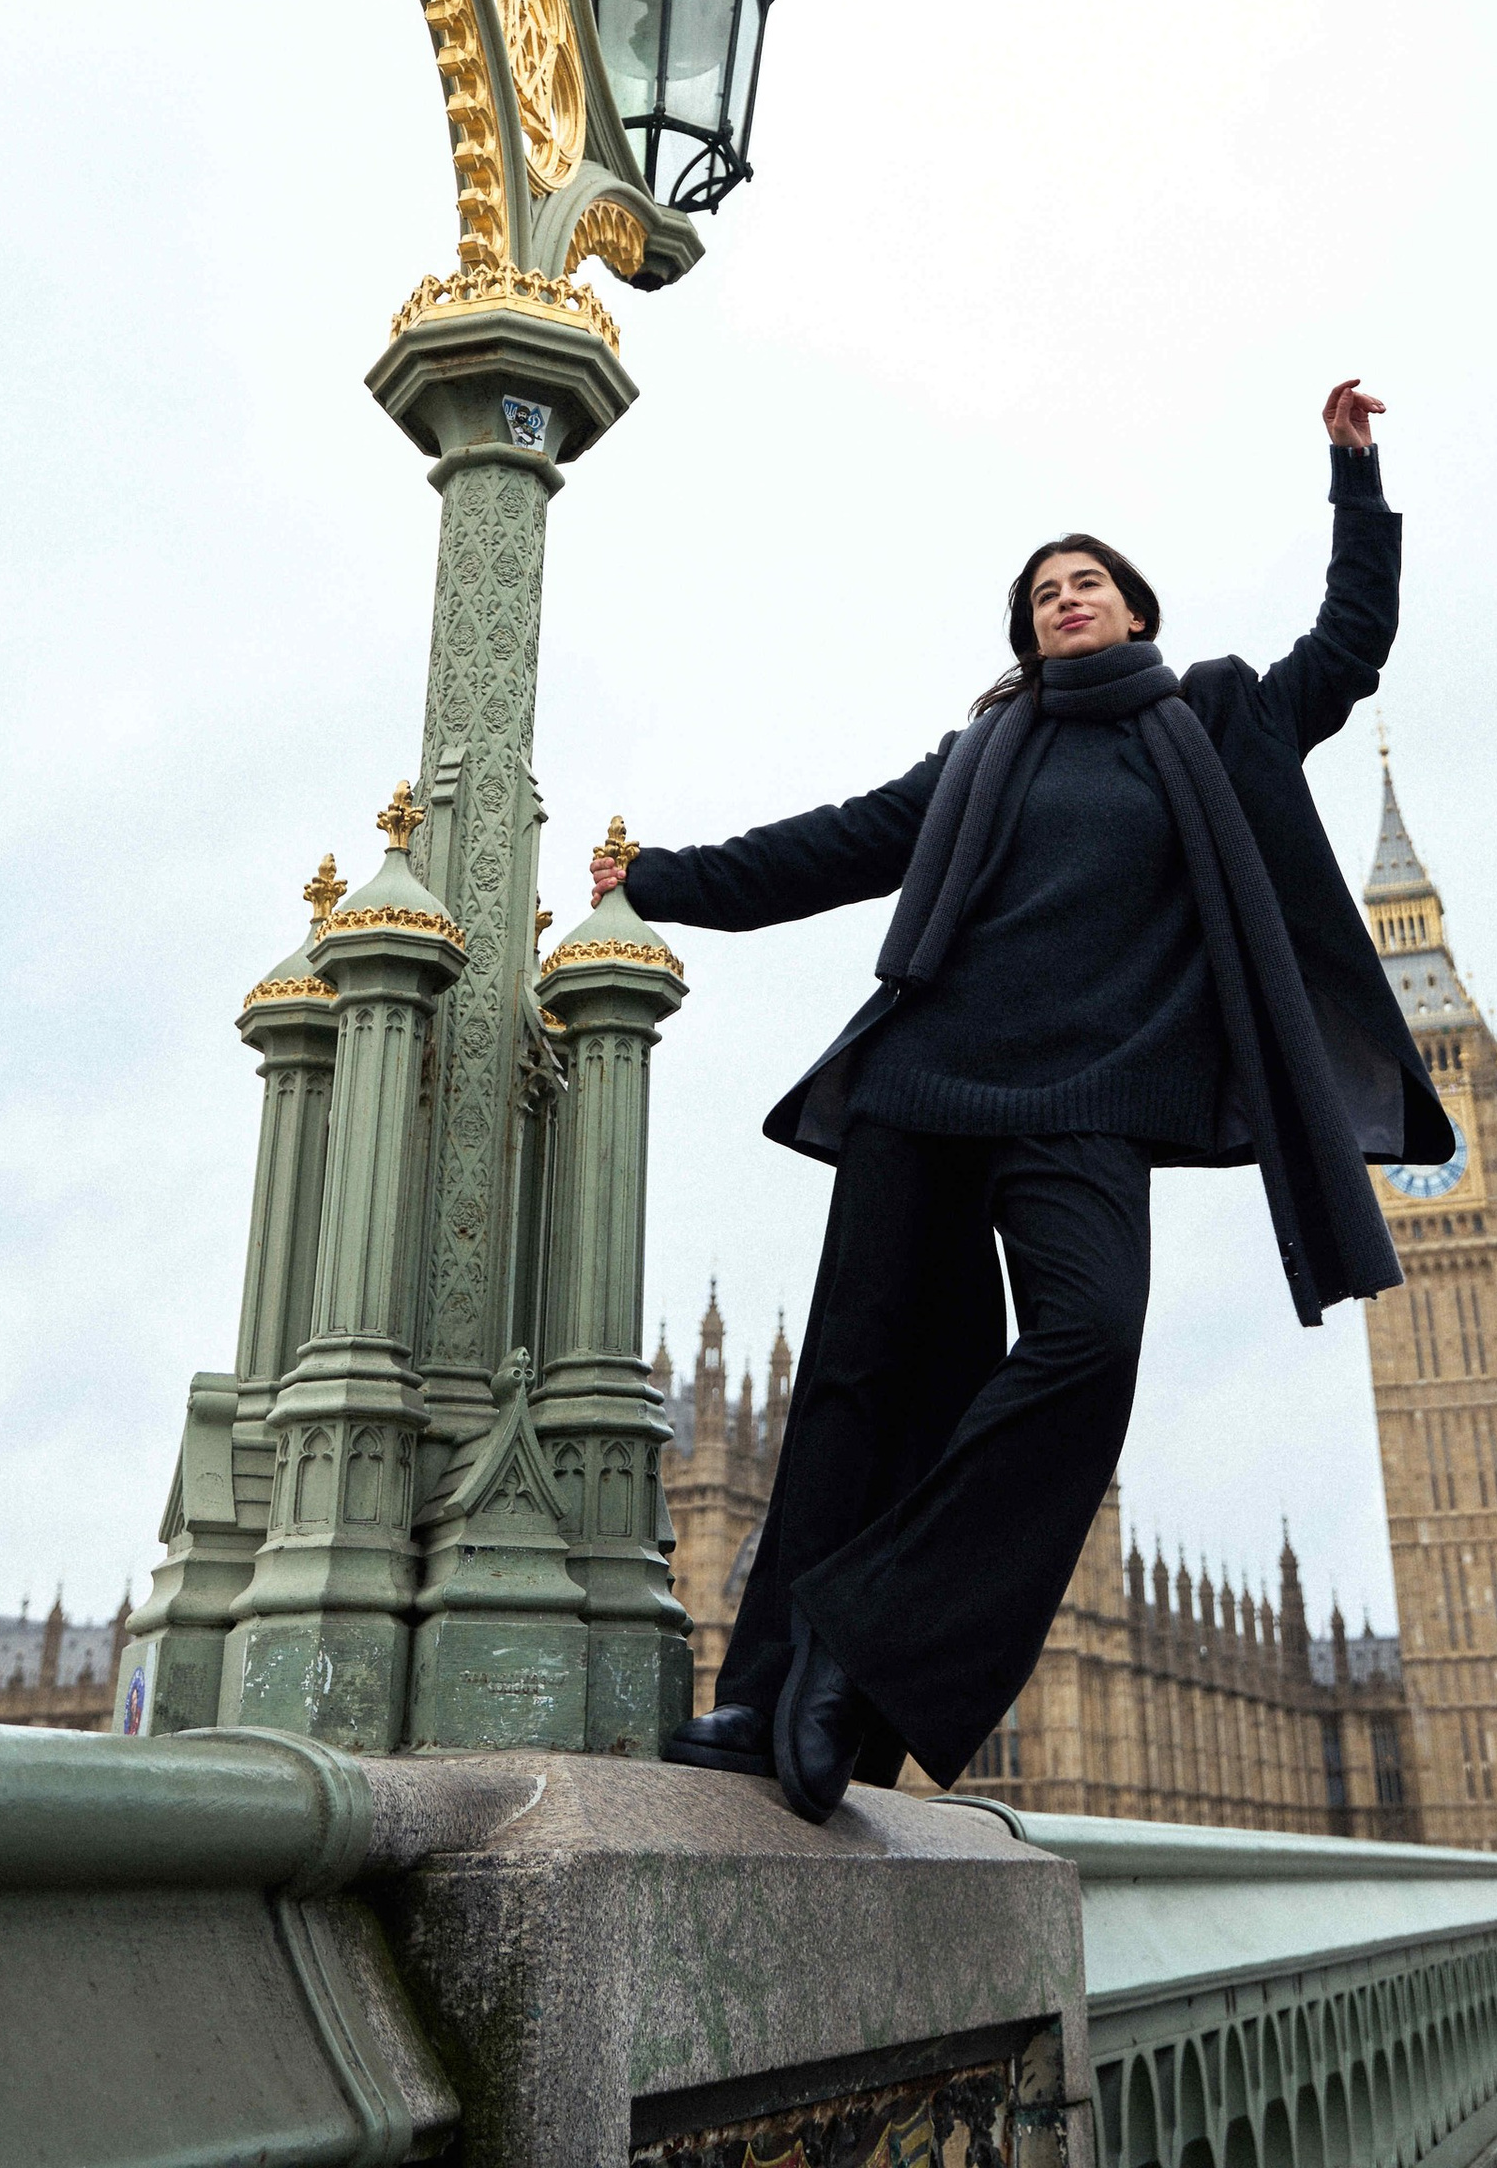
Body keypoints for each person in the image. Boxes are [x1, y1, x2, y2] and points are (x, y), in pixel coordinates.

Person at [593, 381, 1452, 1821]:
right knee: (857, 1390)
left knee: (1088, 1345)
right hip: (926, 1089)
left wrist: (1353, 481)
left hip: (1089, 1108)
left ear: (1135, 610)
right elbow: (832, 846)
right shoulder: (982, 758)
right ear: (1026, 628)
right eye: (1044, 589)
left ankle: (860, 1642)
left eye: (1089, 581)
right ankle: (764, 1691)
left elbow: (1352, 647)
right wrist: (657, 880)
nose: (1067, 598)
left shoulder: (1221, 722)